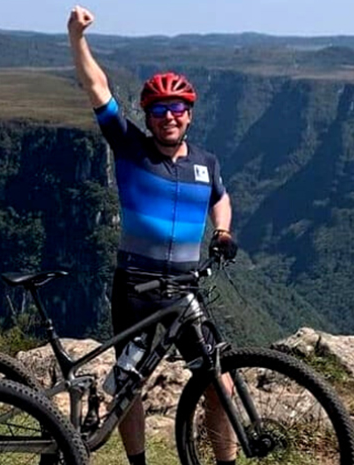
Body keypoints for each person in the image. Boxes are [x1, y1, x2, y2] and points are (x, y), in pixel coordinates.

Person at [68, 5, 239, 465]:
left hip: (185, 292)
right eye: (160, 109)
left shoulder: (206, 162)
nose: (169, 116)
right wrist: (76, 38)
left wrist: (222, 231)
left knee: (218, 384)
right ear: (148, 115)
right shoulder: (130, 149)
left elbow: (220, 198)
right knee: (129, 385)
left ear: (190, 115)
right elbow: (97, 88)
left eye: (177, 108)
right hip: (136, 291)